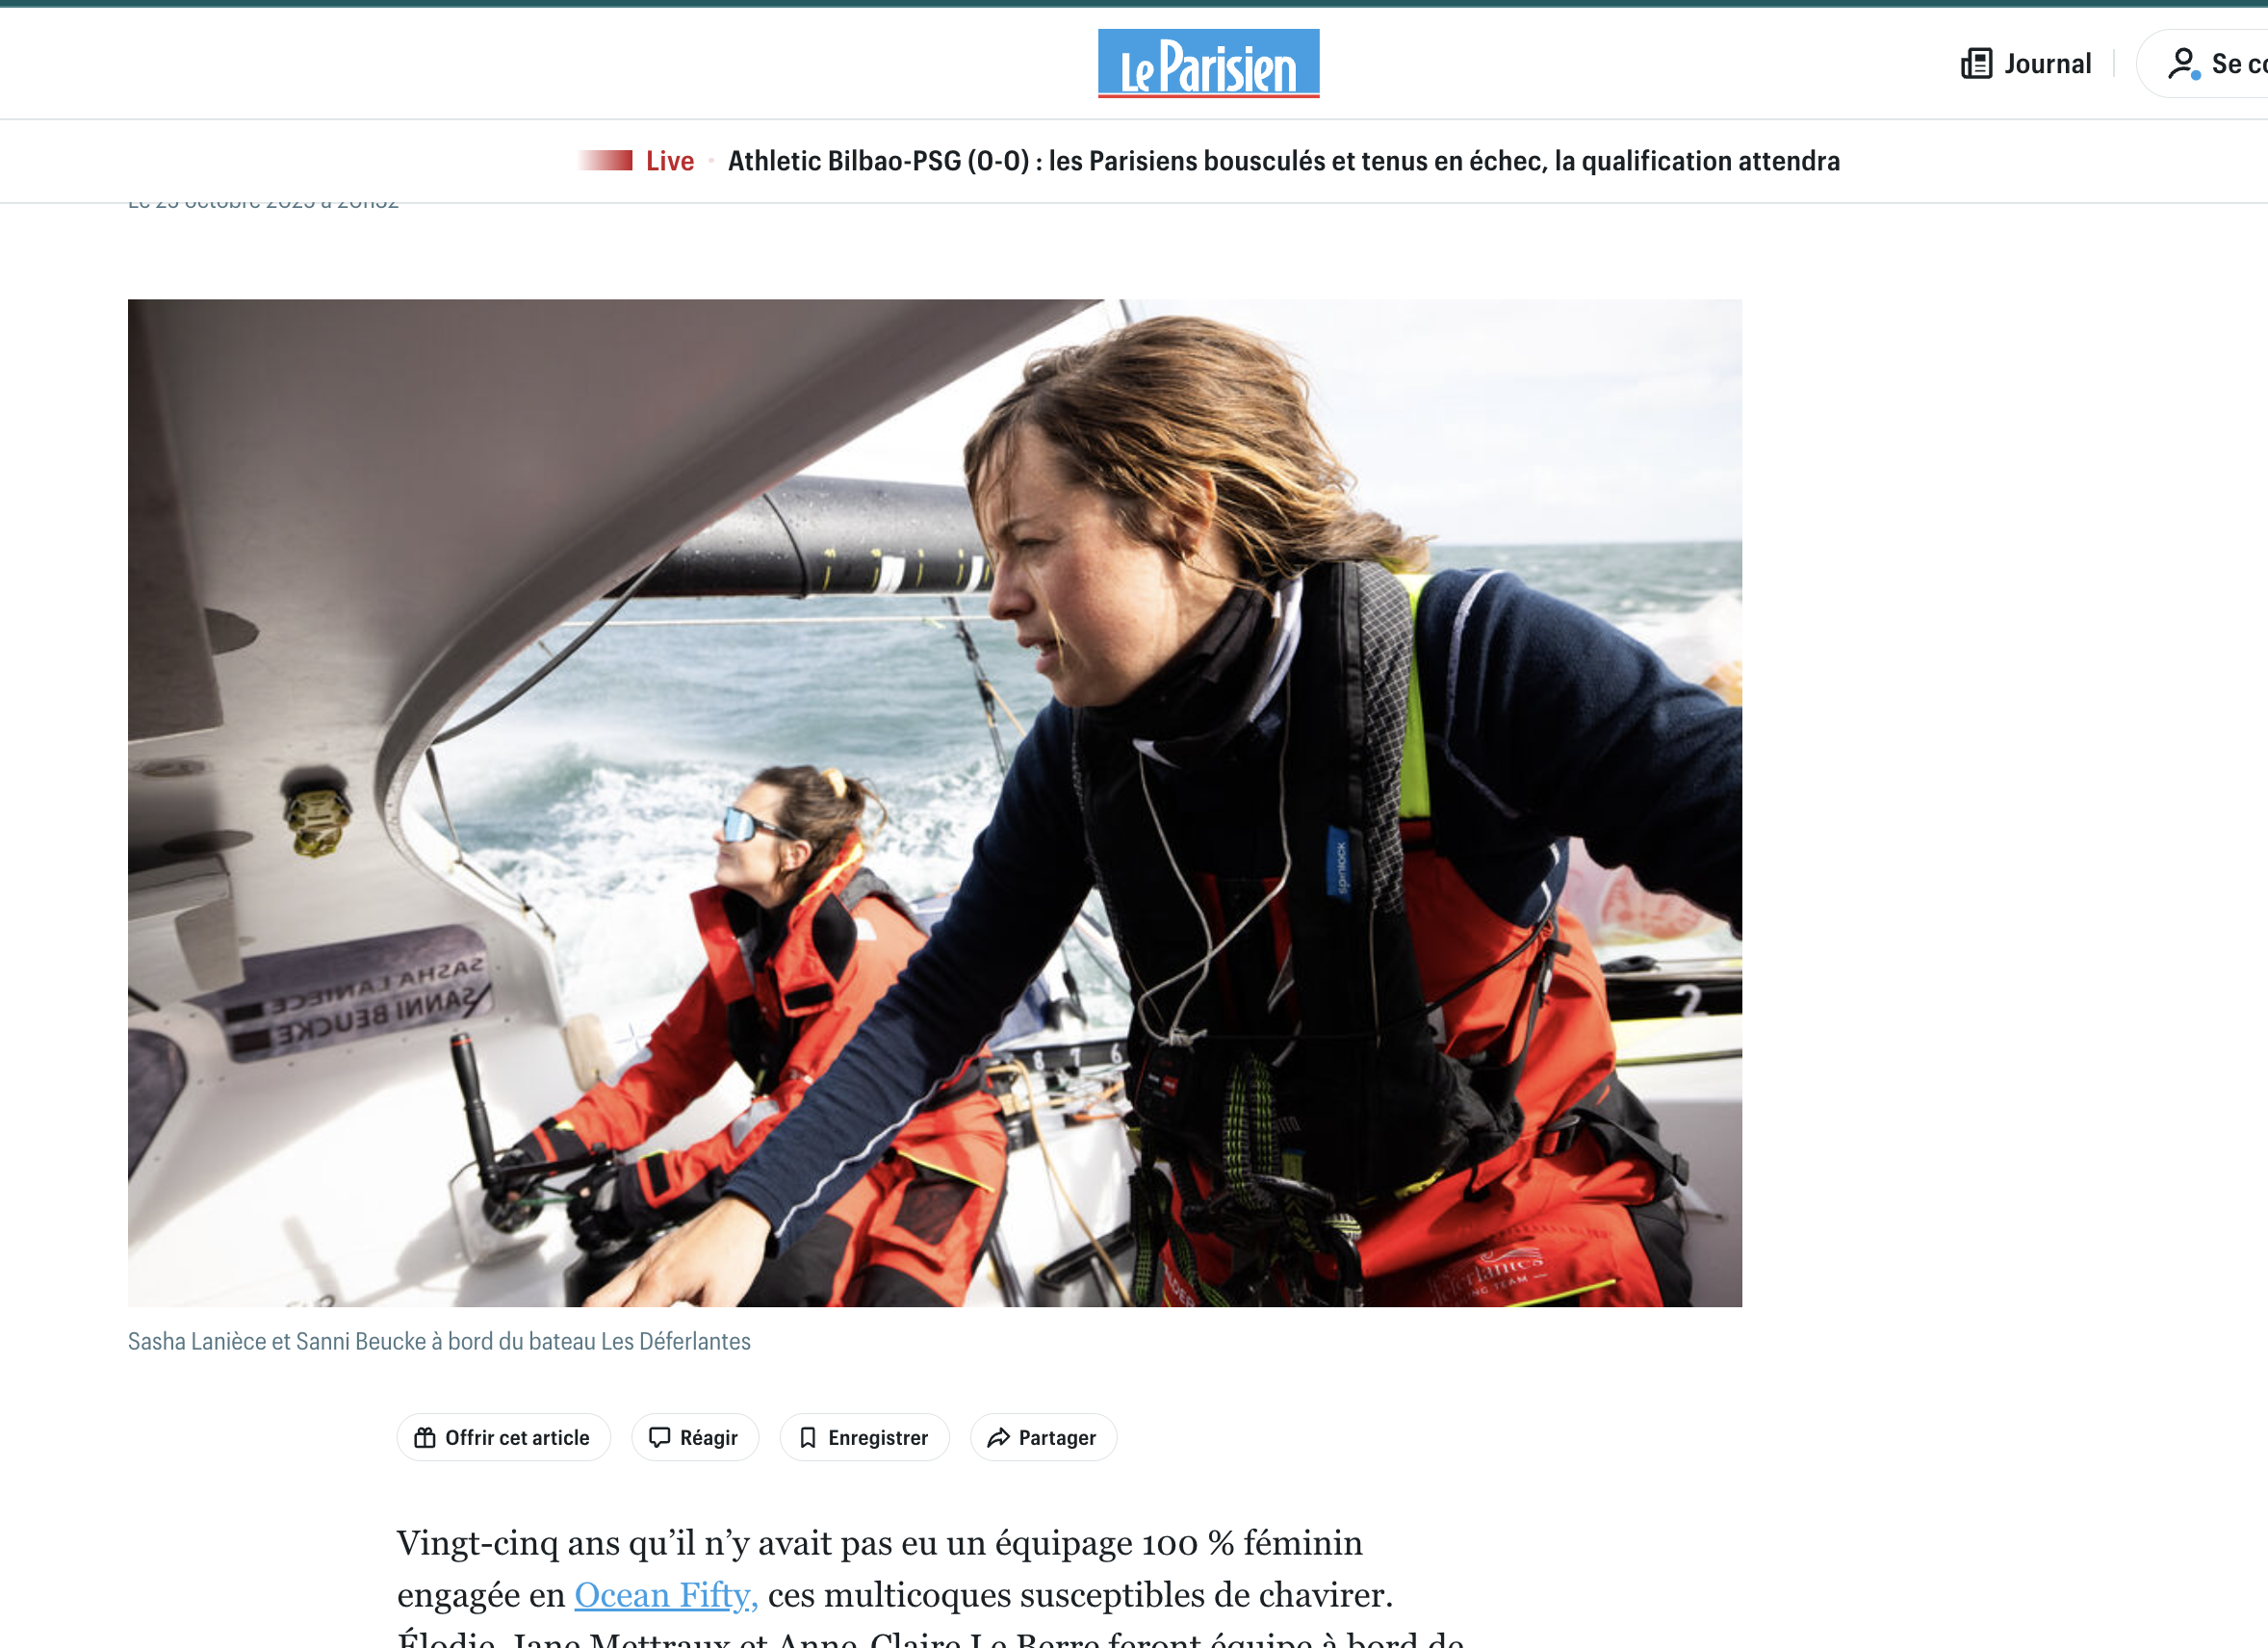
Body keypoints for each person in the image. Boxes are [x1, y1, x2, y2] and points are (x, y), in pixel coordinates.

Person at [591, 316, 1740, 1309]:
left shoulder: (1472, 657)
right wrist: (750, 1207)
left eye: (1030, 546)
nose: (996, 598)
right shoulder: (1080, 754)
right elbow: (943, 999)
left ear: (1180, 512)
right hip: (1247, 1268)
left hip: (1507, 1255)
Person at [492, 764, 1007, 1306]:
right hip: (842, 1150)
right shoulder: (762, 944)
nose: (719, 834)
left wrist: (642, 1190)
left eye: (739, 825)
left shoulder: (872, 953)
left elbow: (803, 1118)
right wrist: (543, 1152)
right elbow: (670, 1064)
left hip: (934, 1156)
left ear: (794, 854)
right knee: (772, 1289)